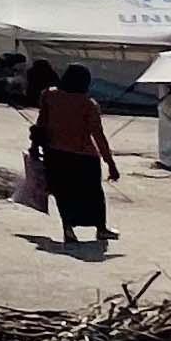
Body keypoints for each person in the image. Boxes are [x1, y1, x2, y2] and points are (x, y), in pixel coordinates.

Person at [31, 62, 118, 246]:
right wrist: (110, 163)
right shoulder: (88, 104)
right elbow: (98, 135)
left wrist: (34, 147)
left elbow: (41, 124)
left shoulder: (48, 96)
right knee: (93, 194)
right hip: (84, 156)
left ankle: (68, 231)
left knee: (64, 195)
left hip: (55, 154)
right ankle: (101, 229)